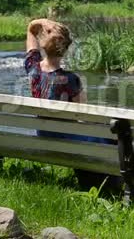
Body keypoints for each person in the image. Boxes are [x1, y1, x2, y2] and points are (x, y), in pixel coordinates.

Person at [25, 18, 120, 190]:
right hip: (66, 139)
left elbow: (31, 30)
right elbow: (83, 115)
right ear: (65, 50)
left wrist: (43, 22)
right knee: (111, 134)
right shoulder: (71, 79)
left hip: (43, 134)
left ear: (43, 45)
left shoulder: (32, 69)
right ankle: (111, 183)